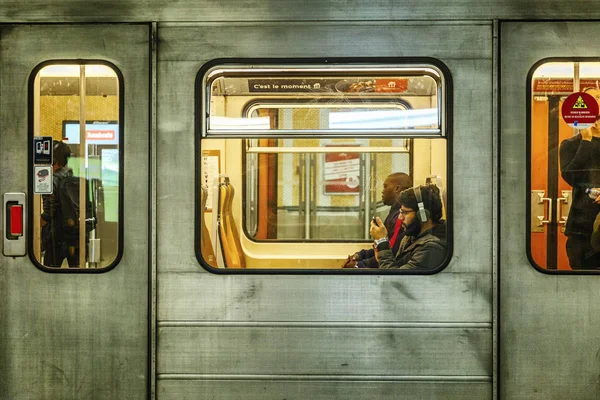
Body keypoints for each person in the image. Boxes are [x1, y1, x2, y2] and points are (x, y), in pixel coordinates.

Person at [559, 87, 600, 269]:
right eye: (594, 99)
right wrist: (586, 141)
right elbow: (571, 177)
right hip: (581, 229)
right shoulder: (570, 145)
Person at [342, 172, 412, 268]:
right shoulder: (393, 213)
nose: (383, 191)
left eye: (385, 186)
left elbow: (391, 252)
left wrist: (359, 265)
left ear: (397, 189)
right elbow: (382, 248)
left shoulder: (400, 219)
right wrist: (359, 256)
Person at [369, 184, 446, 270]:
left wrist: (382, 242)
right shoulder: (411, 236)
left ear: (422, 215)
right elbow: (397, 268)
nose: (400, 217)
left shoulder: (432, 248)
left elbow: (396, 279)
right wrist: (381, 256)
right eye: (400, 212)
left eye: (405, 213)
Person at [41, 140, 80, 267]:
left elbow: (48, 213)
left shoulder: (49, 180)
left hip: (56, 239)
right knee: (78, 276)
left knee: (49, 275)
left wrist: (35, 228)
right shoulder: (75, 177)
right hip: (75, 236)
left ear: (54, 160)